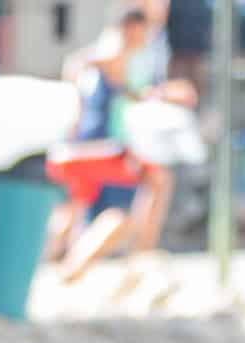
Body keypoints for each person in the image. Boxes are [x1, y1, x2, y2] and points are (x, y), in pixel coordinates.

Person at [48, 6, 194, 284]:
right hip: (101, 148)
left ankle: (71, 259)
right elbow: (116, 77)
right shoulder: (116, 51)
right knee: (126, 208)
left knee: (81, 209)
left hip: (88, 147)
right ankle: (86, 266)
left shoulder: (121, 52)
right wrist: (160, 93)